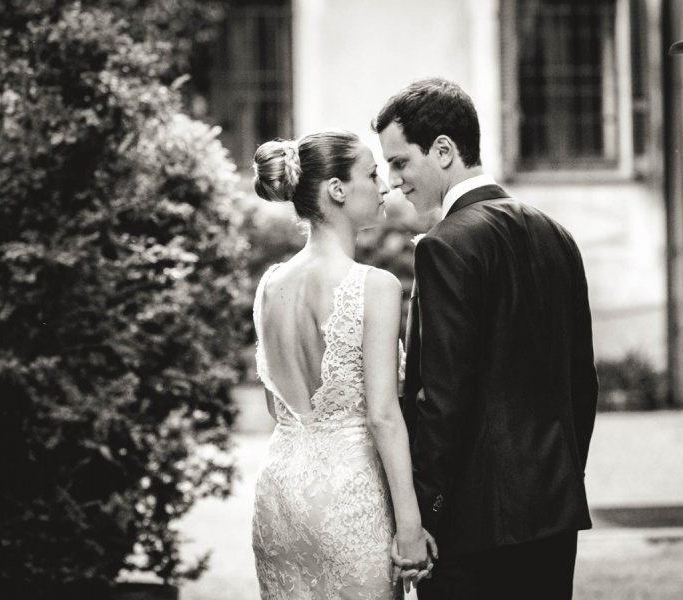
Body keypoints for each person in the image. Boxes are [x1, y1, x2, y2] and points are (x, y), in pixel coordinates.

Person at [373, 78, 598, 599]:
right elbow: (582, 382)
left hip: (473, 529)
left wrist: (424, 511)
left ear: (445, 151)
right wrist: (564, 476)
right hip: (554, 512)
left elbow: (443, 396)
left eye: (401, 162)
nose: (394, 181)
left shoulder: (445, 246)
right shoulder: (556, 233)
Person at [250, 129, 435, 599]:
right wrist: (410, 525)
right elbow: (382, 415)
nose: (384, 186)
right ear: (337, 190)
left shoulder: (270, 285)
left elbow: (278, 410)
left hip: (279, 493)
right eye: (372, 175)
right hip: (348, 500)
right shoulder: (375, 286)